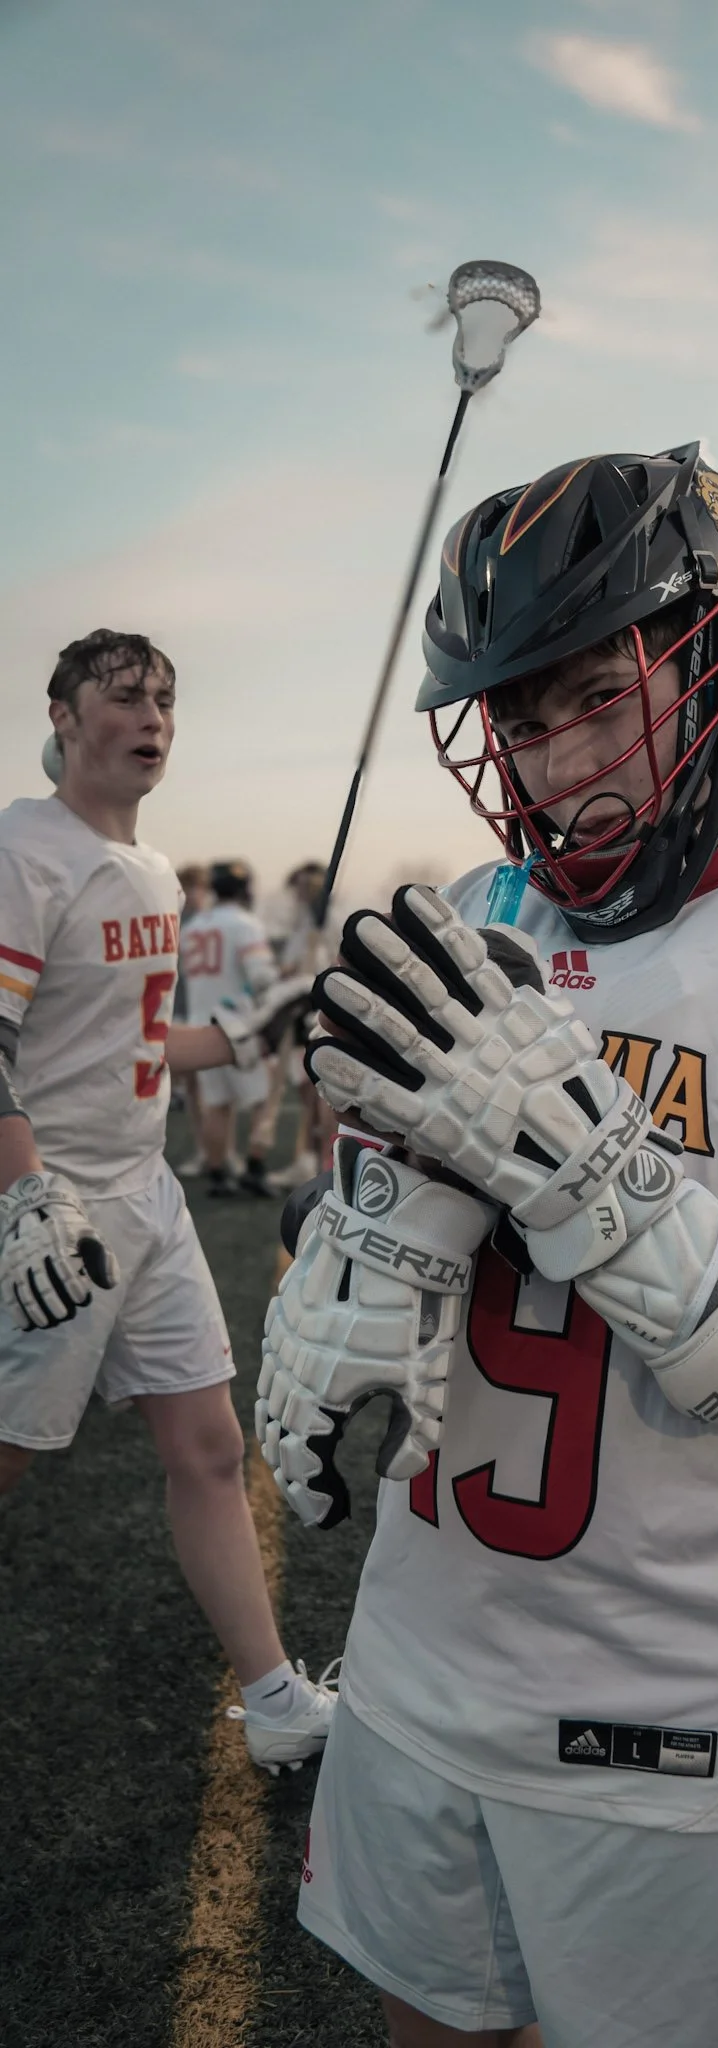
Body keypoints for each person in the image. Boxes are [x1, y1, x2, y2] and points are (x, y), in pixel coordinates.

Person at [259, 445, 718, 2046]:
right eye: (515, 718)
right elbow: (400, 1222)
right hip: (420, 1658)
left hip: (682, 1717)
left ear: (715, 662)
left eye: (592, 692)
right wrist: (344, 1266)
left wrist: (578, 1147)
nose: (547, 754)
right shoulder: (476, 907)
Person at [0, 628, 336, 1774]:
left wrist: (257, 1022)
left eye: (165, 699)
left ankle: (277, 1693)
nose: (151, 716)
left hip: (145, 1197)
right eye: (124, 695)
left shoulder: (148, 869)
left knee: (207, 1441)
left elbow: (141, 1048)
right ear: (61, 714)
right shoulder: (24, 850)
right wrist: (28, 1192)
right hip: (55, 1210)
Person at [181, 859, 283, 1198]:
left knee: (217, 1104)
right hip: (236, 1025)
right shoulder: (244, 923)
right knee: (263, 1099)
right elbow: (261, 976)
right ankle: (254, 1168)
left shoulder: (193, 926)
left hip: (199, 1025)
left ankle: (217, 1174)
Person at [267, 861, 342, 1194]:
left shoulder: (331, 922)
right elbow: (293, 964)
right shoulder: (303, 925)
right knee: (306, 1092)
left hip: (320, 1014)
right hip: (299, 1013)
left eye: (301, 888)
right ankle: (308, 1158)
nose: (296, 895)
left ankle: (327, 1162)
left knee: (323, 1095)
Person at [172, 862, 214, 1178]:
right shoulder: (175, 922)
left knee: (211, 1090)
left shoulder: (211, 922)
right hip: (180, 1011)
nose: (195, 894)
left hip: (208, 1012)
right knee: (196, 1087)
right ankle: (205, 1150)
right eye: (190, 887)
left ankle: (215, 1153)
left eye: (200, 888)